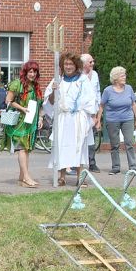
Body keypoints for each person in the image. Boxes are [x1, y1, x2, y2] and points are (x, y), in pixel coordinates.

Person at [44, 52, 98, 187]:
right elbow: (49, 102)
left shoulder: (83, 79)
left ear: (76, 65)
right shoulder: (58, 79)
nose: (68, 66)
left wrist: (91, 116)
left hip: (78, 118)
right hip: (63, 118)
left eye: (71, 64)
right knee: (61, 146)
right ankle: (61, 177)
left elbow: (91, 99)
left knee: (79, 146)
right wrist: (53, 91)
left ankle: (80, 177)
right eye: (66, 64)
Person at [3, 61, 43, 188]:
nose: (32, 74)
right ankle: (26, 177)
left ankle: (22, 178)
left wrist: (40, 118)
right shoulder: (17, 84)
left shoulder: (35, 86)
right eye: (30, 71)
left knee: (26, 149)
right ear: (25, 72)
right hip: (18, 122)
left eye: (35, 72)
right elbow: (8, 101)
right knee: (21, 148)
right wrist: (22, 109)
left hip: (30, 122)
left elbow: (39, 105)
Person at [95, 66, 136, 176]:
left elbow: (133, 104)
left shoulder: (129, 88)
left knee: (129, 142)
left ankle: (132, 167)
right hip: (112, 120)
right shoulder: (108, 91)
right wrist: (98, 120)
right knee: (114, 144)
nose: (125, 77)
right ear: (116, 78)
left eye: (124, 75)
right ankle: (116, 167)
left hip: (127, 119)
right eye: (122, 75)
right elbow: (102, 106)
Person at [80, 54, 101, 172]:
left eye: (93, 61)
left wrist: (97, 114)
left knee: (91, 138)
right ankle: (76, 164)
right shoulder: (78, 76)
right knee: (79, 138)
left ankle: (92, 162)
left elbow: (97, 93)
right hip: (81, 112)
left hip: (92, 113)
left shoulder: (95, 75)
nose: (93, 64)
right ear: (84, 64)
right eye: (90, 62)